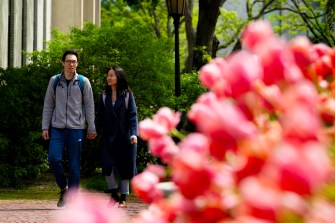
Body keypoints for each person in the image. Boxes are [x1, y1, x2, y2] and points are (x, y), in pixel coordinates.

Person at [41, 49, 97, 207]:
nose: (71, 64)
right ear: (62, 63)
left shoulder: (83, 82)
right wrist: (45, 126)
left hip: (76, 129)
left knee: (74, 164)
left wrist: (91, 128)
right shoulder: (54, 81)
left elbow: (90, 106)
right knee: (53, 158)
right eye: (68, 61)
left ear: (77, 63)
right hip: (57, 128)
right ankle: (64, 188)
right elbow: (48, 105)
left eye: (74, 61)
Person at [95, 65, 138, 208]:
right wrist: (94, 129)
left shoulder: (127, 95)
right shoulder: (104, 95)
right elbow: (99, 116)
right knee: (107, 166)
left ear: (118, 77)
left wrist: (133, 134)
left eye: (112, 75)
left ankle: (123, 198)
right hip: (108, 136)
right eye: (108, 75)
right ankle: (113, 194)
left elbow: (132, 116)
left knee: (125, 167)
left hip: (125, 137)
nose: (109, 77)